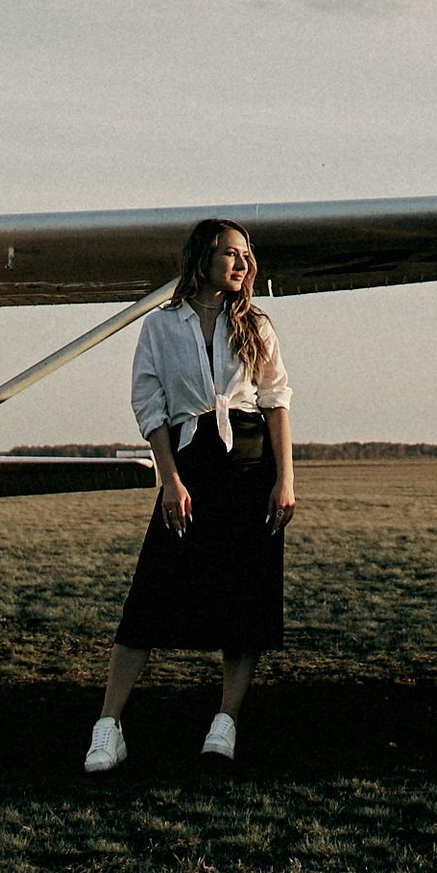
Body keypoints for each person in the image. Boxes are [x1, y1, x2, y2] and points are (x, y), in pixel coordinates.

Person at [83, 219, 295, 773]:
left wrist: (285, 479)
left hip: (251, 466)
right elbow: (149, 404)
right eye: (230, 253)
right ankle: (108, 728)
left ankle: (223, 725)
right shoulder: (160, 326)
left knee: (245, 600)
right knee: (148, 600)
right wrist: (169, 479)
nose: (242, 263)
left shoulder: (258, 325)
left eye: (246, 254)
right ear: (202, 260)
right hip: (190, 460)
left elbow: (276, 402)